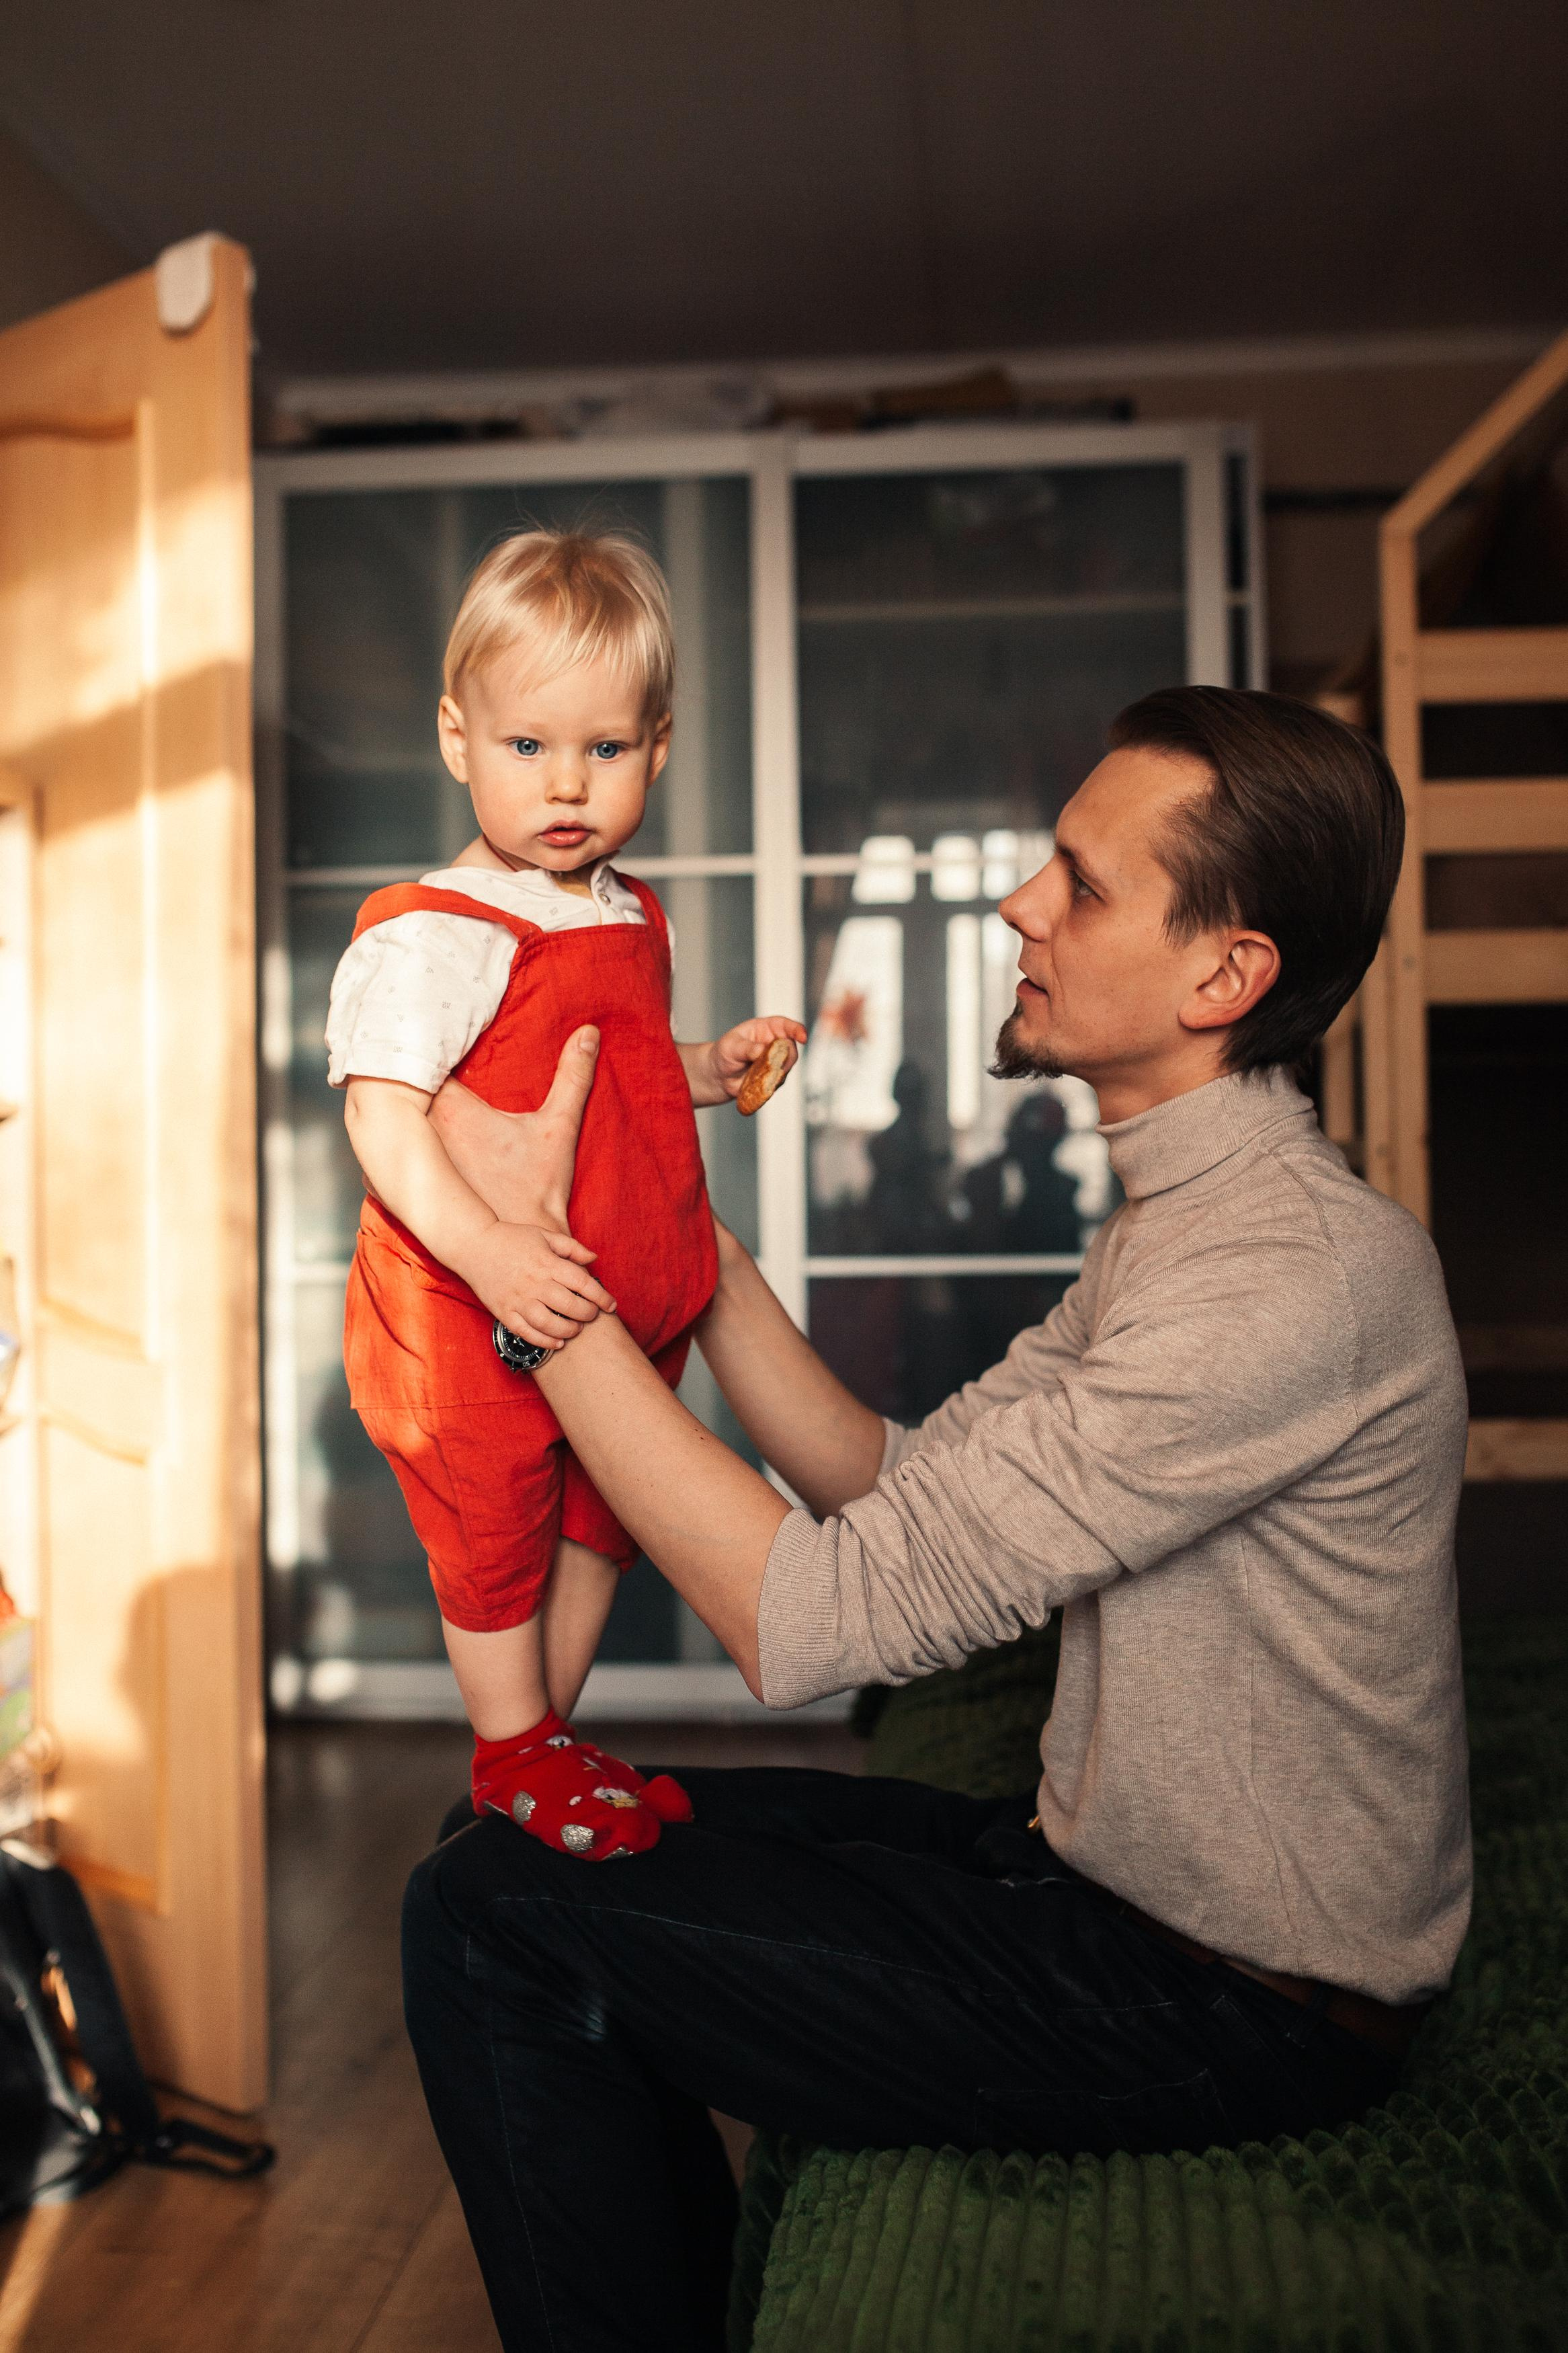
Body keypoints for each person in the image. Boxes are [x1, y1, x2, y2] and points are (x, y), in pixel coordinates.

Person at [401, 687, 1473, 2353]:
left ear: (1224, 978)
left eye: (1081, 885)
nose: (1018, 906)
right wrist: (668, 1219)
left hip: (1227, 1998)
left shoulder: (1285, 1281)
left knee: (491, 1920)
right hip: (1099, 1888)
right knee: (527, 1841)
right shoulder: (1188, 1227)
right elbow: (888, 1485)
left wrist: (528, 1282)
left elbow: (808, 1621)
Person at [326, 527, 803, 1860]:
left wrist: (711, 1067)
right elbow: (384, 1116)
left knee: (600, 1524)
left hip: (605, 1305)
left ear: (656, 746)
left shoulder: (625, 908)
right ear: (457, 738)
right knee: (498, 1526)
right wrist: (484, 1252)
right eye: (528, 746)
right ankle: (509, 1740)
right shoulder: (437, 928)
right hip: (473, 1310)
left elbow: (618, 1070)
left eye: (604, 749)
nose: (566, 786)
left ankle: (547, 1736)